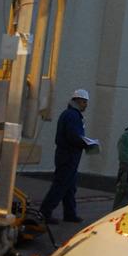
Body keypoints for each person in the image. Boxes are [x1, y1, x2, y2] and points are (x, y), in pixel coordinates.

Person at [40, 89, 91, 224]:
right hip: (68, 156)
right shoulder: (73, 116)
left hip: (67, 155)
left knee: (69, 186)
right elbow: (74, 136)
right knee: (61, 185)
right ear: (78, 101)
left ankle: (70, 213)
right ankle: (45, 212)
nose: (86, 105)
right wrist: (86, 143)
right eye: (85, 102)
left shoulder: (69, 114)